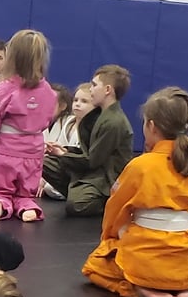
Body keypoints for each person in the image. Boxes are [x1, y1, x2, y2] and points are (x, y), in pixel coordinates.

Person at [82, 87, 188, 297]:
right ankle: (185, 287)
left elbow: (115, 209)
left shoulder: (141, 166)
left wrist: (110, 239)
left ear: (152, 126)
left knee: (95, 265)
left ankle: (140, 287)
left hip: (147, 262)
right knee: (176, 257)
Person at [0, 29, 58, 223]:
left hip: (7, 149)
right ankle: (26, 205)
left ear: (11, 57)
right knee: (25, 190)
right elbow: (48, 119)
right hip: (34, 150)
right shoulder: (48, 91)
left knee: (0, 187)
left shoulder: (5, 88)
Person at [42, 64, 134, 217]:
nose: (91, 89)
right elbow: (90, 151)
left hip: (105, 176)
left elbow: (93, 161)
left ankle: (108, 201)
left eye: (94, 85)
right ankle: (77, 190)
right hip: (92, 169)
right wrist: (66, 150)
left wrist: (63, 155)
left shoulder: (114, 122)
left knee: (76, 205)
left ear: (107, 90)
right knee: (44, 162)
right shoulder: (99, 115)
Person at [40, 82, 94, 200]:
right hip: (65, 168)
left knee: (50, 188)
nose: (78, 104)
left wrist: (63, 153)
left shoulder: (93, 128)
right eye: (76, 100)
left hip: (81, 173)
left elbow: (86, 160)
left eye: (84, 101)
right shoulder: (68, 123)